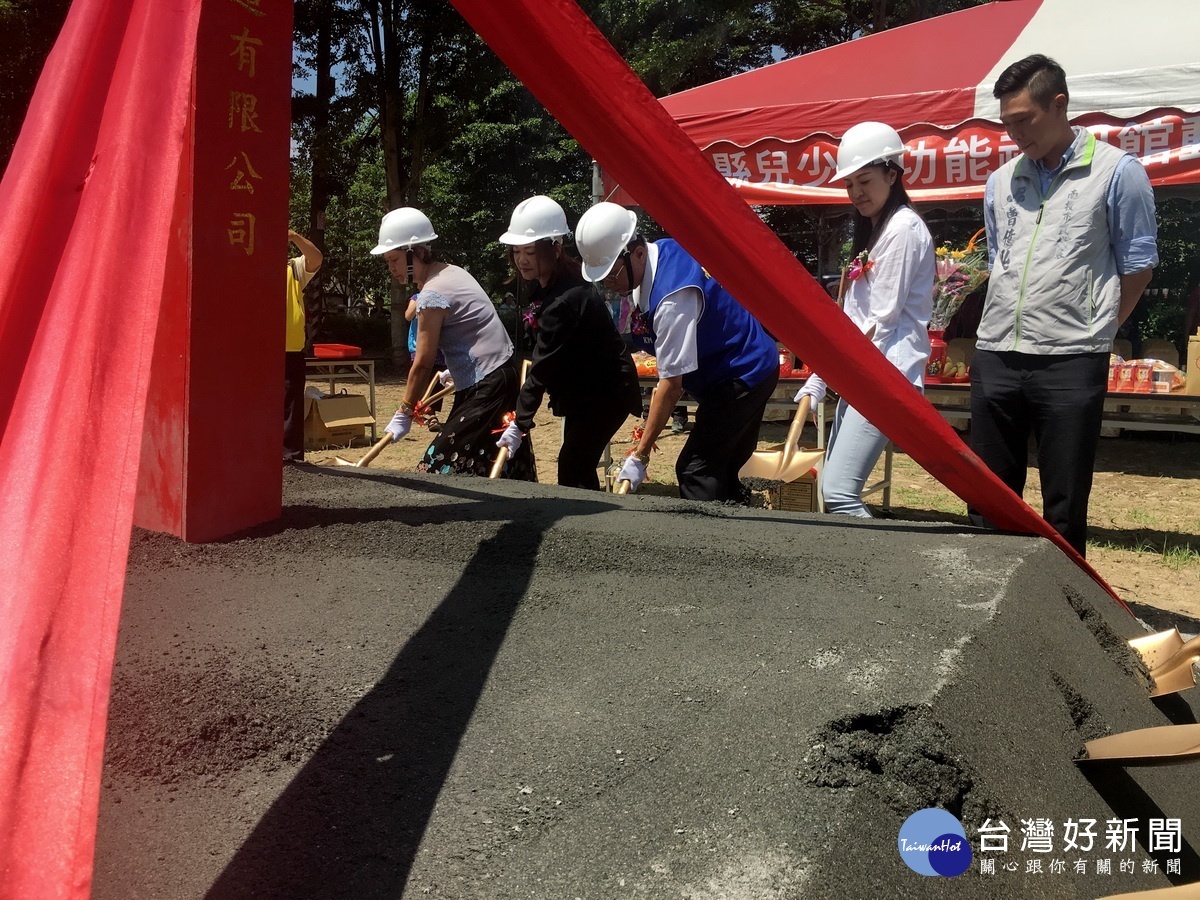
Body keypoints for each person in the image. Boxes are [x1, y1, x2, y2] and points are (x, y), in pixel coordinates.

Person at [968, 54, 1158, 556]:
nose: (1014, 134)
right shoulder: (1001, 180)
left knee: (1065, 503)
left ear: (1060, 104)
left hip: (1072, 360)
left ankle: (1063, 615)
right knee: (987, 497)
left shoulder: (1118, 172)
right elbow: (999, 259)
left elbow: (1138, 264)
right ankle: (981, 606)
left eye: (1023, 120)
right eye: (1006, 123)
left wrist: (1099, 328)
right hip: (996, 354)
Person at [574, 201, 779, 502]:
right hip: (737, 367)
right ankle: (736, 533)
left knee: (695, 470)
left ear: (637, 252)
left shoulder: (672, 298)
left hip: (743, 371)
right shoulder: (659, 254)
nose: (608, 283)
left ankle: (706, 543)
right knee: (725, 465)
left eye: (612, 273)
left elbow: (670, 387)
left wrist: (640, 455)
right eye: (601, 277)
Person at [793, 121, 934, 517]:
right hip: (865, 373)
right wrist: (824, 374)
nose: (856, 192)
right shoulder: (878, 230)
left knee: (838, 493)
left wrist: (824, 375)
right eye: (849, 183)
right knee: (833, 488)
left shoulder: (903, 229)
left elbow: (881, 320)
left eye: (865, 180)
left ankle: (877, 572)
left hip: (887, 375)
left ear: (893, 174)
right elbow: (855, 317)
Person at [370, 207, 535, 479]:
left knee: (442, 465)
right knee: (495, 463)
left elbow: (422, 363)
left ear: (416, 252)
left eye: (394, 259)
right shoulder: (451, 272)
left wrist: (405, 411)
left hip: (489, 385)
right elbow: (473, 329)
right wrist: (457, 368)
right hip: (496, 376)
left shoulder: (432, 293)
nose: (391, 268)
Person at [493, 196, 641, 490]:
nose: (521, 259)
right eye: (517, 251)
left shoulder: (566, 297)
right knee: (576, 466)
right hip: (584, 393)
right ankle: (590, 525)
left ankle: (589, 528)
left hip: (606, 393)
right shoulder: (550, 288)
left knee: (573, 464)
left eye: (530, 251)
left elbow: (544, 362)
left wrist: (520, 422)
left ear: (556, 249)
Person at [284, 228, 322, 464]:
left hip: (291, 348)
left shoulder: (294, 267)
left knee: (291, 404)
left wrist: (294, 236)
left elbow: (316, 258)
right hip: (257, 349)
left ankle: (291, 457)